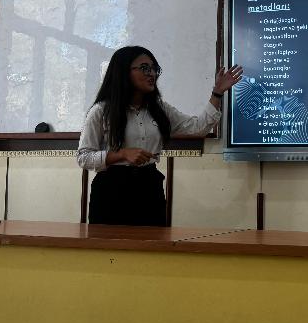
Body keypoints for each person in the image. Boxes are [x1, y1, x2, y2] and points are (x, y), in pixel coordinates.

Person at [77, 46, 243, 226]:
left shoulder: (160, 109)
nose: (152, 74)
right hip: (111, 190)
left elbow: (198, 128)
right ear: (123, 72)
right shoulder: (101, 111)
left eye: (154, 68)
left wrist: (217, 93)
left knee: (152, 242)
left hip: (149, 187)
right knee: (108, 243)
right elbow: (84, 157)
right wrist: (121, 154)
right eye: (144, 68)